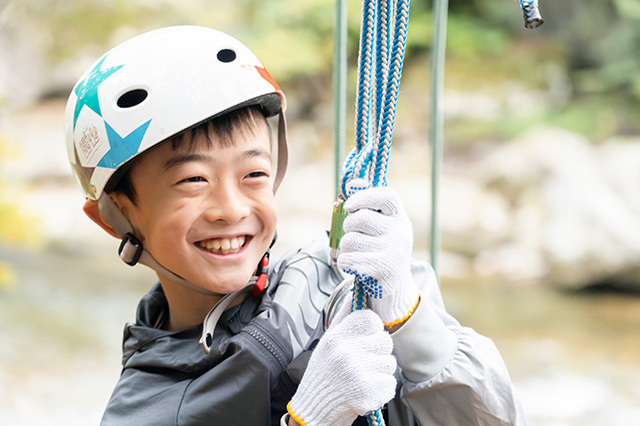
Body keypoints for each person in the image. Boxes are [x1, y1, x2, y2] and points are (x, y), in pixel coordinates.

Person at [65, 25, 525, 425]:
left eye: (254, 175)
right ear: (117, 215)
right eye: (192, 180)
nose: (229, 208)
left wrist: (408, 315)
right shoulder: (145, 410)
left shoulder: (340, 282)